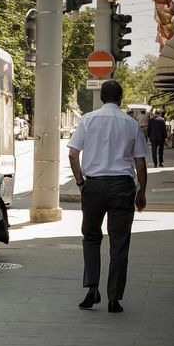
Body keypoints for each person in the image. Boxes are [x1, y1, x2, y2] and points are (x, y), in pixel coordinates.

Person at [66, 80, 148, 313]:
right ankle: (114, 299)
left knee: (91, 238)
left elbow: (73, 154)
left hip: (94, 186)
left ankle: (92, 289)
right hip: (123, 187)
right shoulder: (131, 124)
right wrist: (141, 191)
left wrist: (81, 182)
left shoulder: (87, 120)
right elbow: (140, 163)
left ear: (102, 97)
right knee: (119, 243)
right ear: (120, 98)